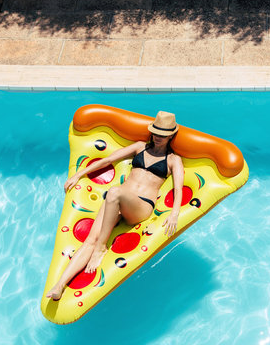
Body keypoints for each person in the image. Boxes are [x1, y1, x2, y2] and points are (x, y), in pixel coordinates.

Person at [46, 111, 183, 300]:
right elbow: (108, 160)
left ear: (171, 136)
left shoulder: (173, 160)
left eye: (162, 135)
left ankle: (101, 248)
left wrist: (174, 213)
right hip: (116, 201)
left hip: (141, 207)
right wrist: (78, 174)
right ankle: (59, 286)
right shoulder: (139, 147)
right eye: (155, 133)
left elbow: (178, 188)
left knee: (114, 191)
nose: (158, 137)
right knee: (90, 240)